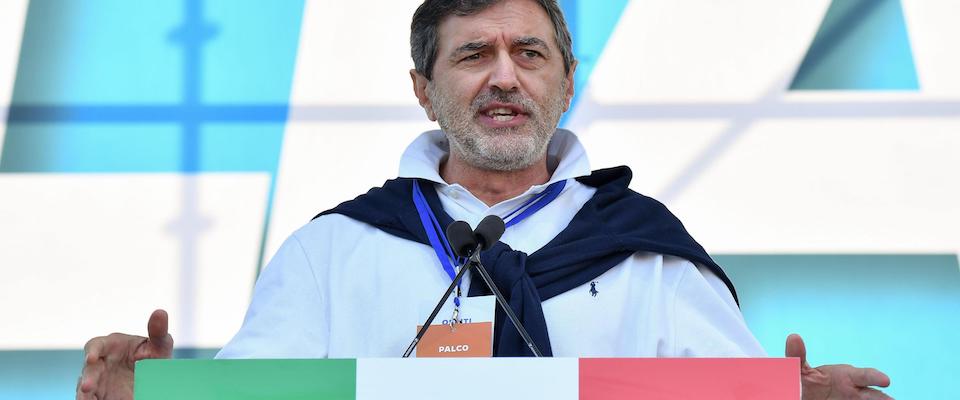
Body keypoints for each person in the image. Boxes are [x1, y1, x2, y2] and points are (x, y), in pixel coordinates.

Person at [77, 0, 893, 399]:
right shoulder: (331, 253)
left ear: (566, 84)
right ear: (424, 90)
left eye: (529, 53)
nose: (504, 75)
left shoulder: (652, 258)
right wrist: (154, 398)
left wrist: (793, 399)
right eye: (473, 55)